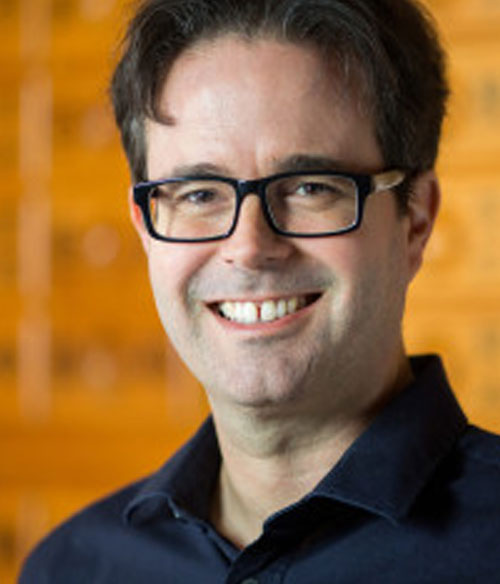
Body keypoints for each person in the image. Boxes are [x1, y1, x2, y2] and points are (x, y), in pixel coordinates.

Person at [20, 0, 500, 582]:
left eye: (309, 187)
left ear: (416, 220)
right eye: (199, 194)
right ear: (146, 227)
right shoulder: (72, 568)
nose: (248, 246)